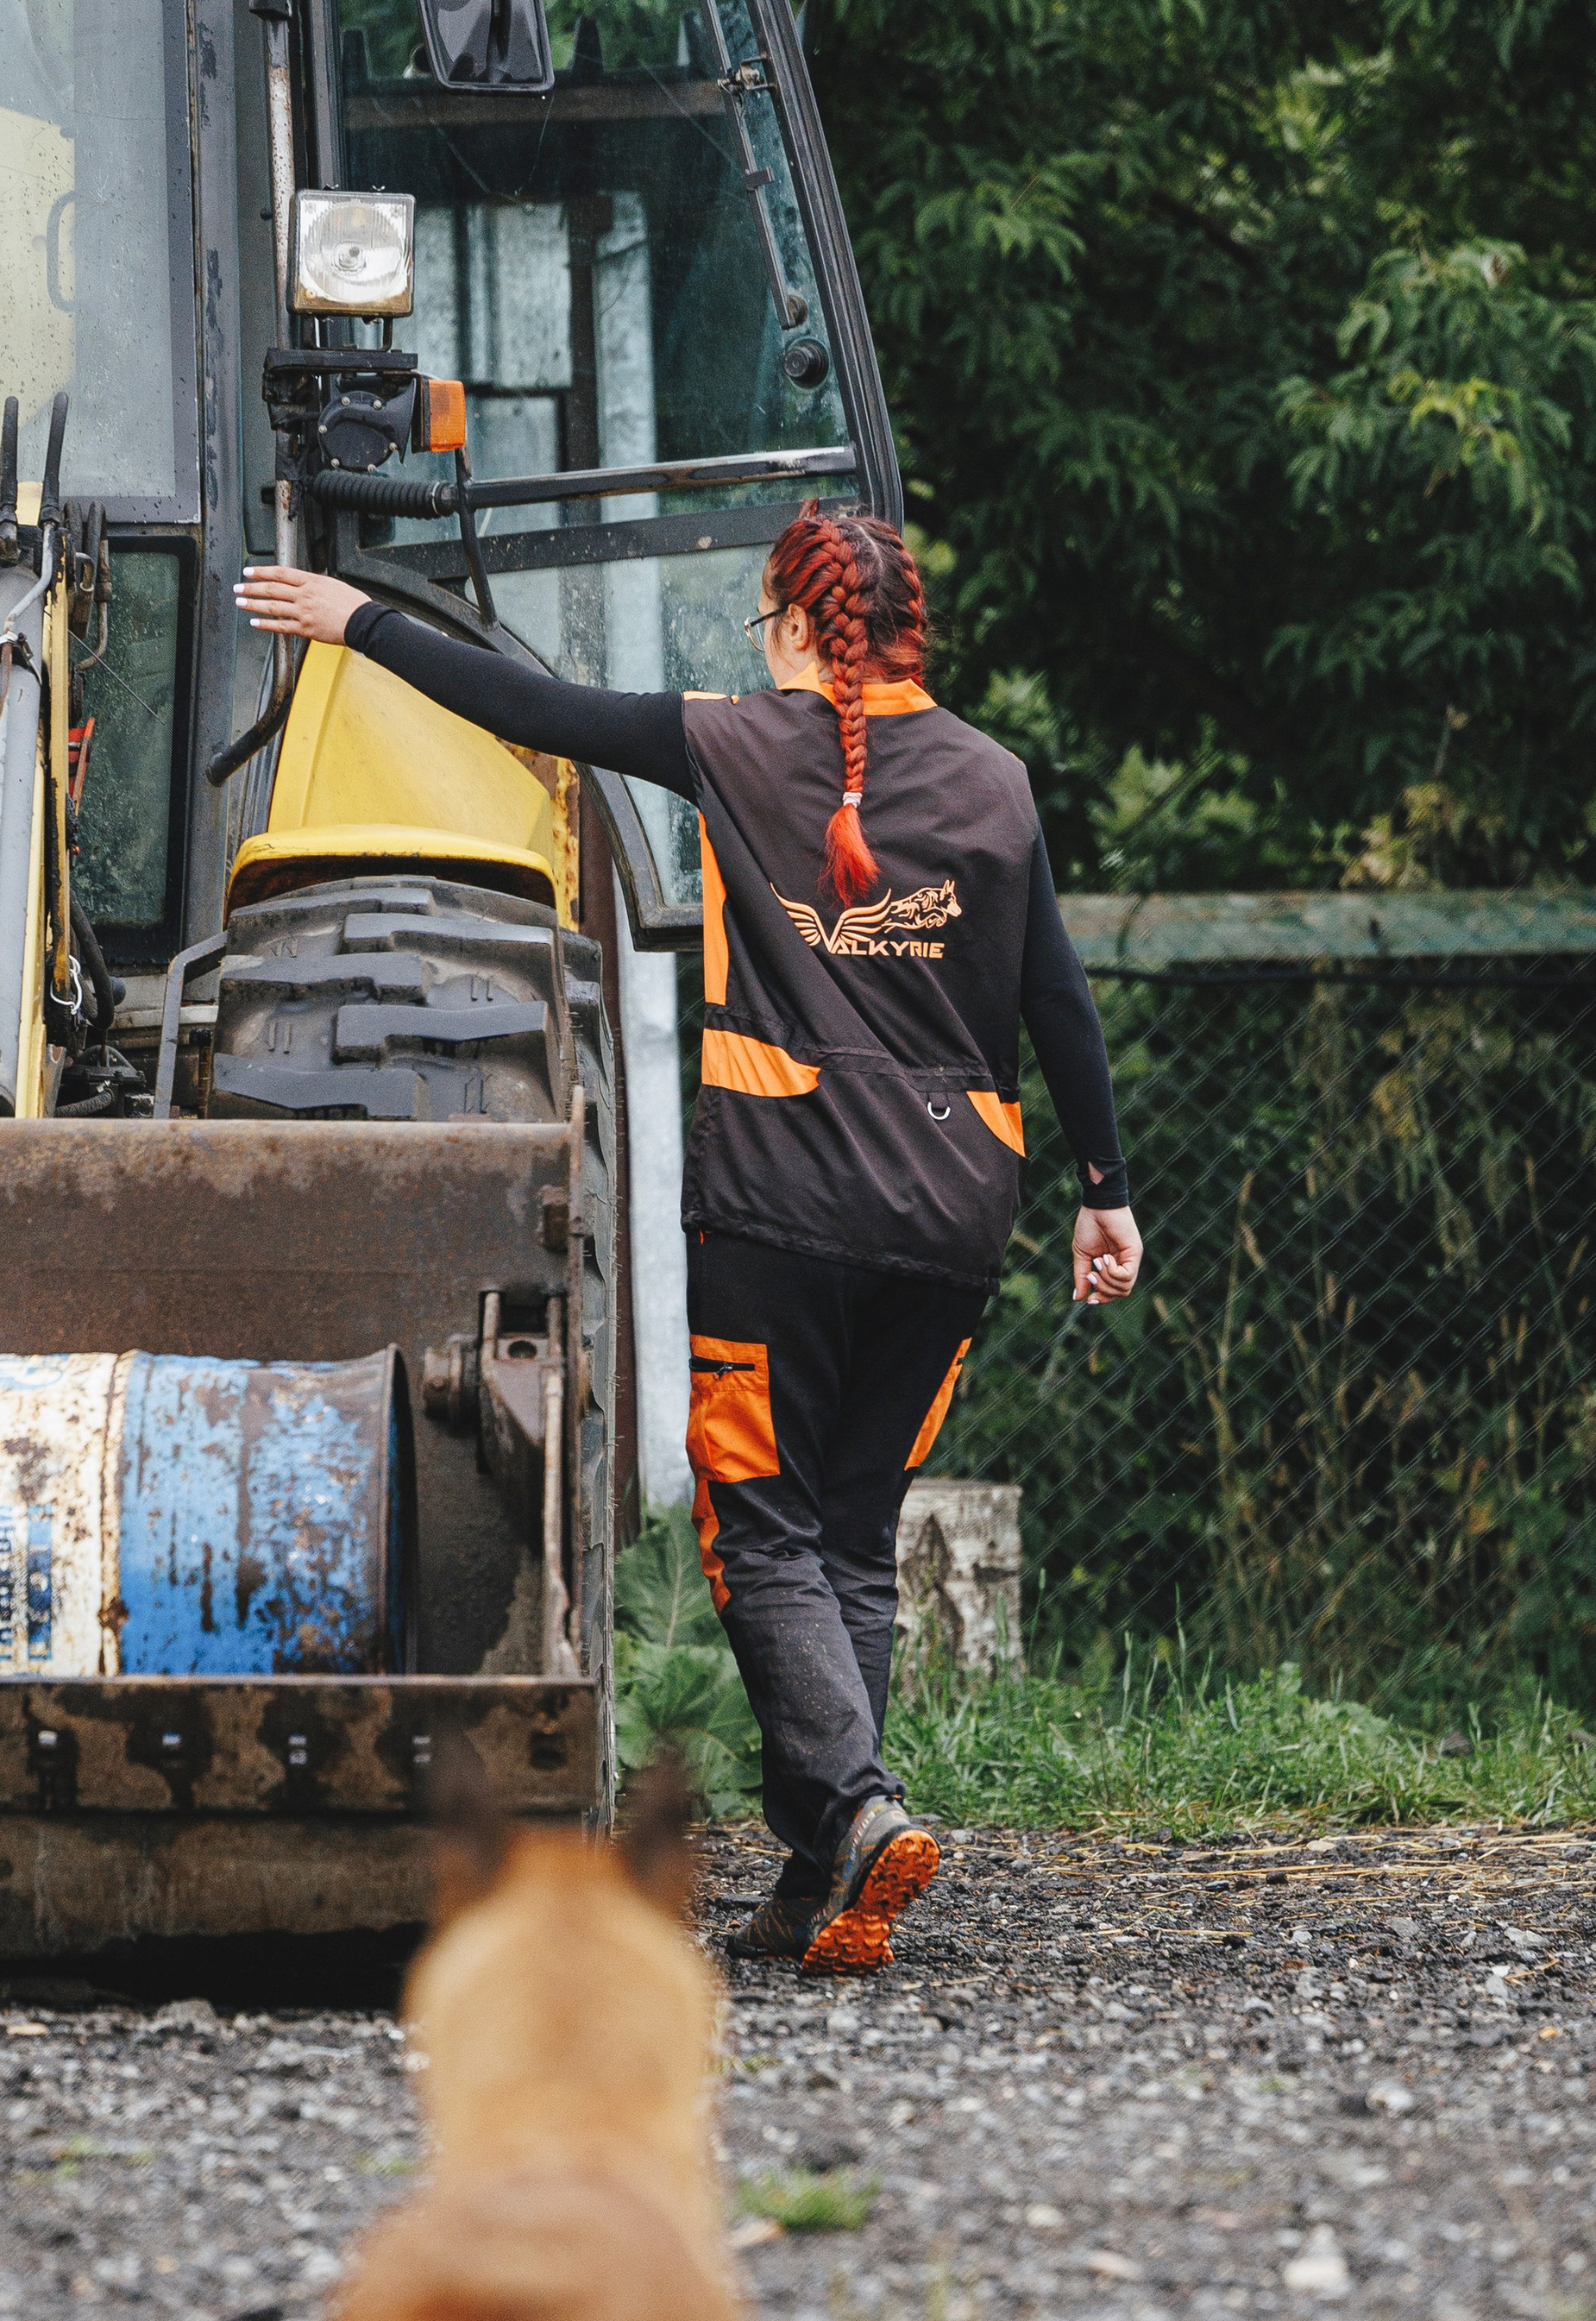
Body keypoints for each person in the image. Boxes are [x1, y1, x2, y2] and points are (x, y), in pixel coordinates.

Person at [236, 506, 1141, 1975]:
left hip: (785, 1200)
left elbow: (533, 707)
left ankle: (853, 1806)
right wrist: (1109, 1189)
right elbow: (1059, 1005)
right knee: (852, 1530)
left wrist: (360, 621)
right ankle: (824, 1875)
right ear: (915, 631)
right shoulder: (999, 781)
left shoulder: (736, 741)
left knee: (760, 1528)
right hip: (959, 1209)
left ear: (794, 628)